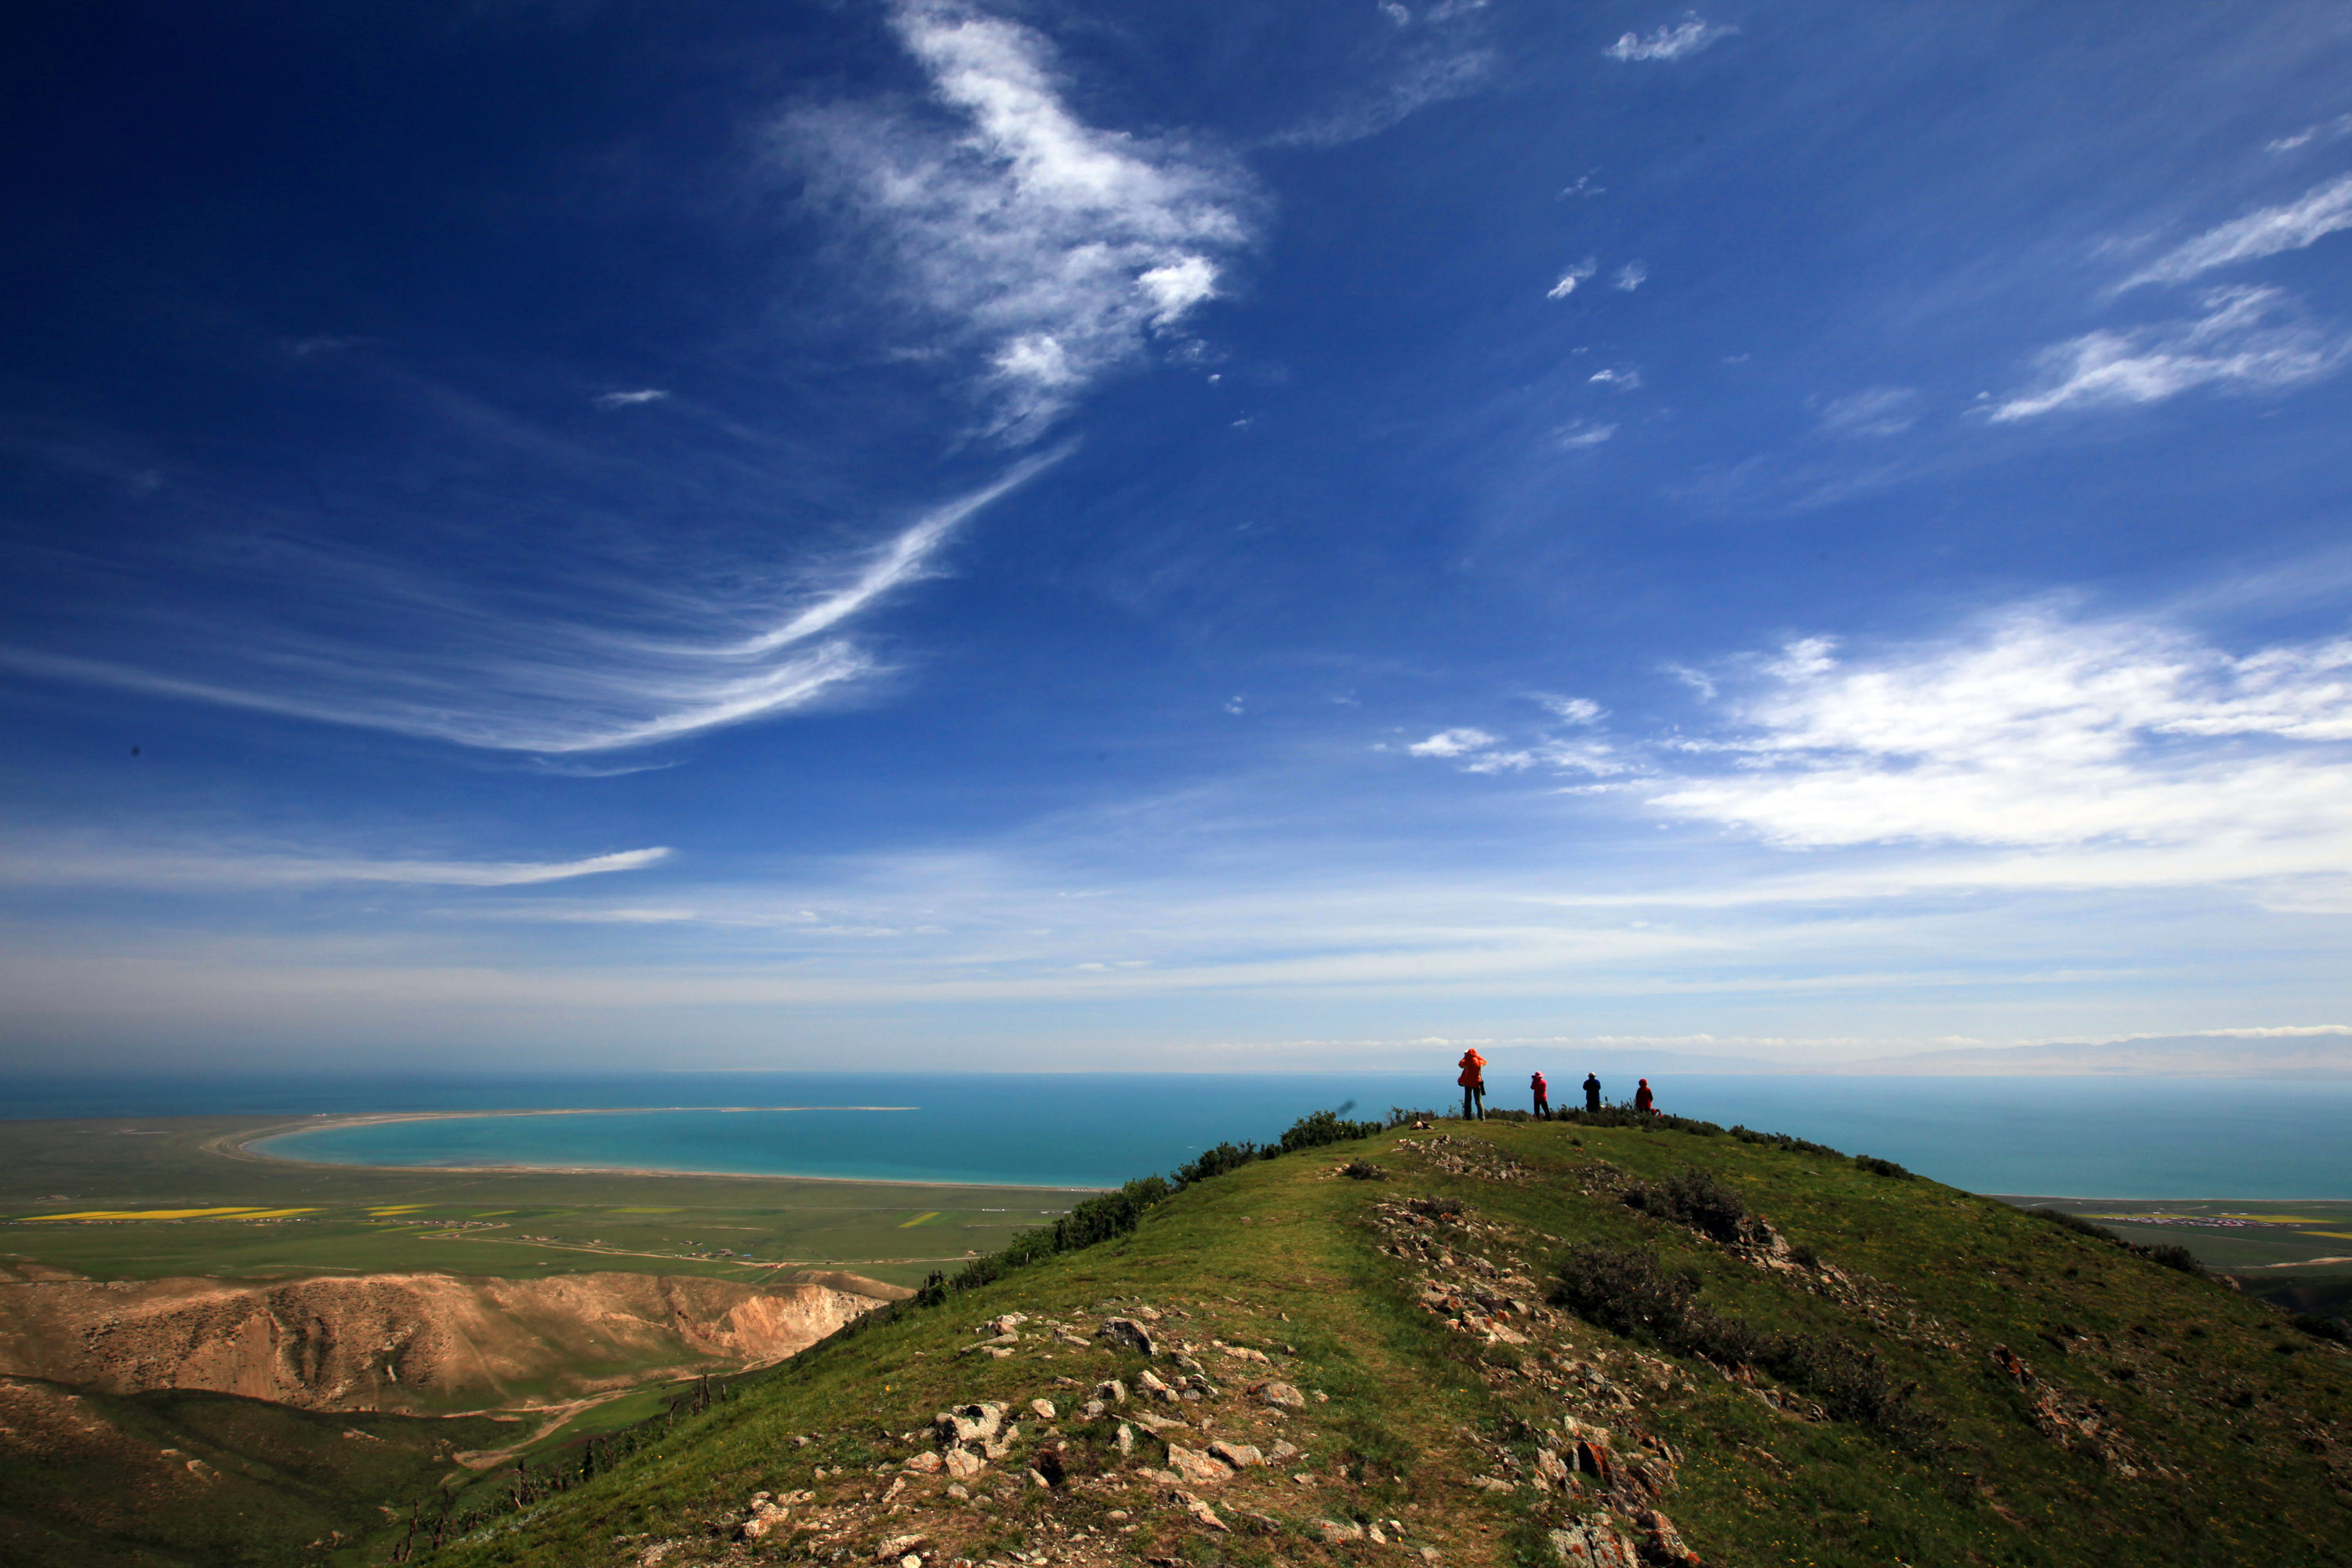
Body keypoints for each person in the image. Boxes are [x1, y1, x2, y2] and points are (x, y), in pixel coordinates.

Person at [1456, 1047, 1487, 1120]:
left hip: (1468, 1083)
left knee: (1468, 1100)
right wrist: (1477, 1056)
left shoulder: (1467, 1061)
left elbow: (1460, 1064)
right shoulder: (1479, 1062)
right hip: (1477, 1083)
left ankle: (1468, 1117)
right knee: (1478, 1100)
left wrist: (1465, 1057)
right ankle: (1482, 1117)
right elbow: (1485, 1061)